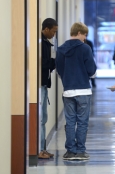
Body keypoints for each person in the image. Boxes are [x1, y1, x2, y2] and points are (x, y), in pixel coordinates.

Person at [56, 22, 97, 160]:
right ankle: (80, 151)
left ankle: (70, 151)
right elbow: (91, 70)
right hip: (84, 91)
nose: (85, 38)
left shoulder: (61, 49)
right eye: (84, 34)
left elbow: (60, 70)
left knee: (70, 121)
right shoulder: (85, 48)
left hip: (68, 91)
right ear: (79, 33)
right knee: (82, 122)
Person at [39, 18, 58, 159]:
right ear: (46, 29)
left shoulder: (47, 43)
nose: (54, 34)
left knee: (44, 118)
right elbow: (43, 64)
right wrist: (55, 62)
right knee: (40, 119)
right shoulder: (40, 43)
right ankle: (39, 150)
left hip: (45, 84)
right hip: (40, 85)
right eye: (53, 31)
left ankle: (43, 148)